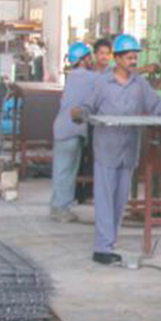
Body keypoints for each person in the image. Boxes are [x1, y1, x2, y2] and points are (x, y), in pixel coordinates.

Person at [71, 34, 161, 265]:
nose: (133, 61)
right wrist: (81, 113)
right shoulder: (101, 83)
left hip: (128, 150)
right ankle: (101, 248)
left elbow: (155, 104)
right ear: (117, 59)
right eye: (129, 57)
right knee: (104, 199)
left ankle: (110, 243)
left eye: (135, 57)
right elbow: (88, 106)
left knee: (119, 201)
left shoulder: (140, 84)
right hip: (106, 148)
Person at [48, 41, 106, 222]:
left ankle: (58, 206)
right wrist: (143, 70)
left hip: (68, 129)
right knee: (65, 171)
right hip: (70, 129)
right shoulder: (83, 76)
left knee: (65, 170)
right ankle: (60, 209)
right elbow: (110, 78)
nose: (92, 60)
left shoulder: (75, 76)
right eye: (89, 57)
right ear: (82, 60)